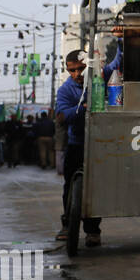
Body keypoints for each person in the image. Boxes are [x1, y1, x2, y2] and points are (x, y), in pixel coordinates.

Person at [56, 50, 104, 245]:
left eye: (81, 69)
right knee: (70, 186)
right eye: (72, 70)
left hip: (101, 144)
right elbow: (61, 116)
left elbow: (117, 62)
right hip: (76, 144)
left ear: (88, 66)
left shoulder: (99, 79)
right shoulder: (66, 89)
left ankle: (93, 230)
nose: (76, 74)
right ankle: (67, 225)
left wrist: (120, 40)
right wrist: (82, 108)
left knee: (96, 188)